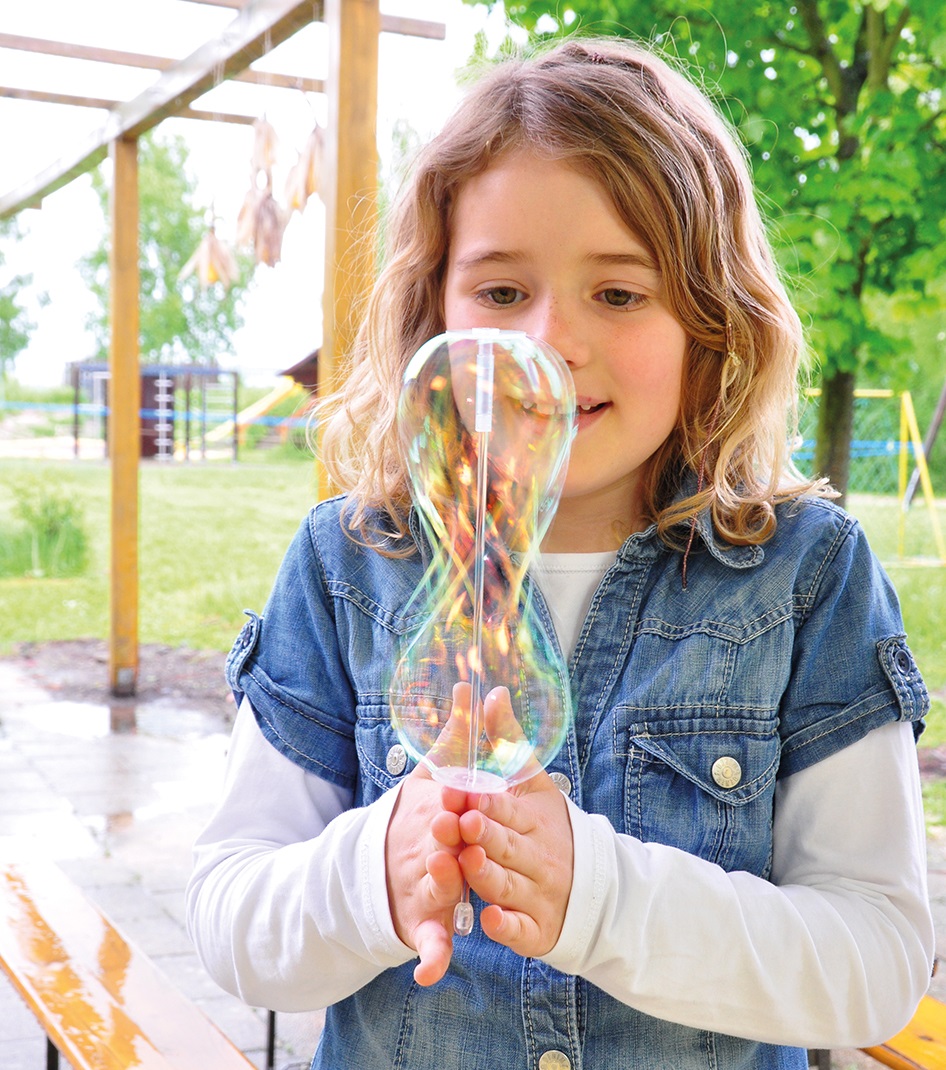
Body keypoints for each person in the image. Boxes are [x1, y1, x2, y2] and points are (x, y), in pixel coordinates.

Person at [186, 36, 934, 1070]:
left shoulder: (805, 576)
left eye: (618, 293)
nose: (548, 342)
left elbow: (878, 961)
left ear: (709, 320)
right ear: (431, 309)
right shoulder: (348, 562)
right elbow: (230, 918)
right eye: (499, 294)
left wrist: (601, 892)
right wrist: (371, 875)